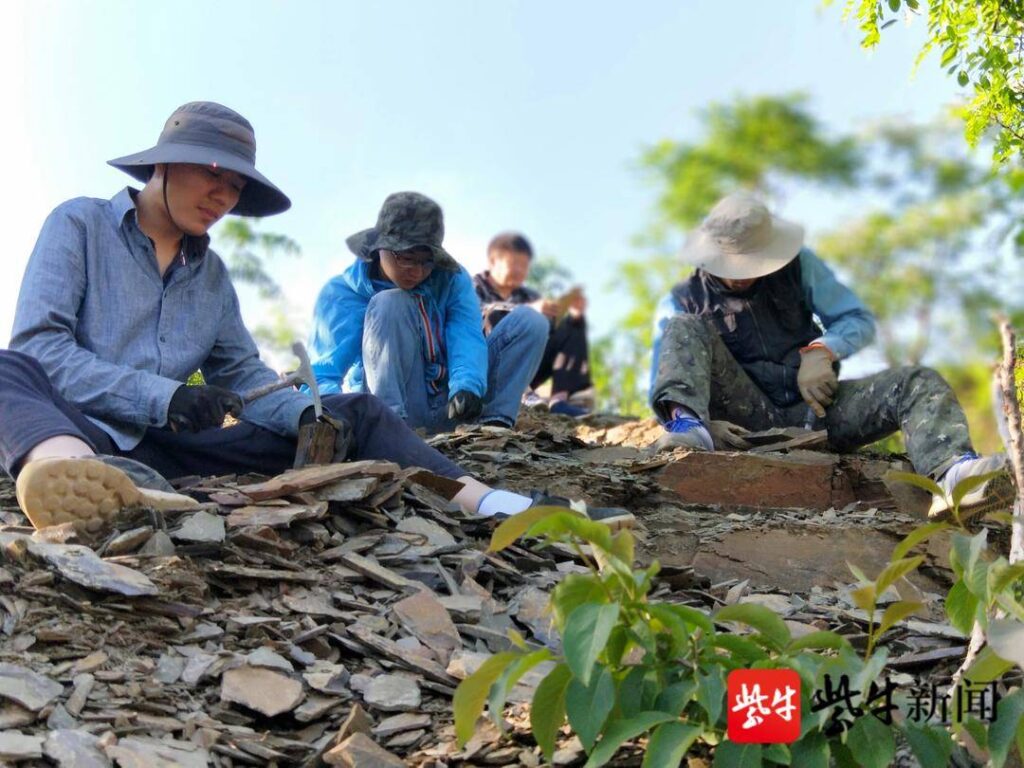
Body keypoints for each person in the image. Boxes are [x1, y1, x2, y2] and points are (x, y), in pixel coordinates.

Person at [1, 102, 632, 533]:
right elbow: (43, 349)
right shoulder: (79, 224)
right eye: (212, 174)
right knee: (8, 369)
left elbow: (245, 377)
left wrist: (308, 410)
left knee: (353, 410)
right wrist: (163, 396)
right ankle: (63, 478)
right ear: (163, 162)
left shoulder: (212, 277)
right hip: (84, 427)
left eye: (237, 186)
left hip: (178, 452)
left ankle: (496, 504)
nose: (224, 196)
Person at [649, 192, 1014, 519]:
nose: (742, 275)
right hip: (742, 421)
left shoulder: (800, 266)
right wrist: (702, 420)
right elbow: (667, 379)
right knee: (683, 327)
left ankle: (953, 476)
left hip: (817, 410)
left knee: (916, 381)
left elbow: (856, 319)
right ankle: (691, 429)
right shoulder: (681, 299)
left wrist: (822, 351)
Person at [308, 193, 550, 432]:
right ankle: (390, 430)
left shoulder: (452, 279)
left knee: (531, 321)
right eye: (407, 258)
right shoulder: (339, 294)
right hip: (391, 410)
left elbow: (465, 333)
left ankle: (491, 424)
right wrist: (336, 417)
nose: (416, 270)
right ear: (379, 248)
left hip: (452, 404)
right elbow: (322, 374)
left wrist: (467, 386)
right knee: (390, 302)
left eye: (426, 261)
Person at [473, 232, 593, 416]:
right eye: (514, 264)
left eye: (524, 266)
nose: (520, 271)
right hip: (485, 362)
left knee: (571, 326)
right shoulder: (471, 288)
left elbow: (550, 334)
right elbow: (475, 317)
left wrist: (572, 314)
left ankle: (560, 400)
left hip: (527, 367)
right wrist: (526, 311)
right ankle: (522, 393)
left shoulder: (528, 295)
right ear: (492, 261)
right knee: (495, 315)